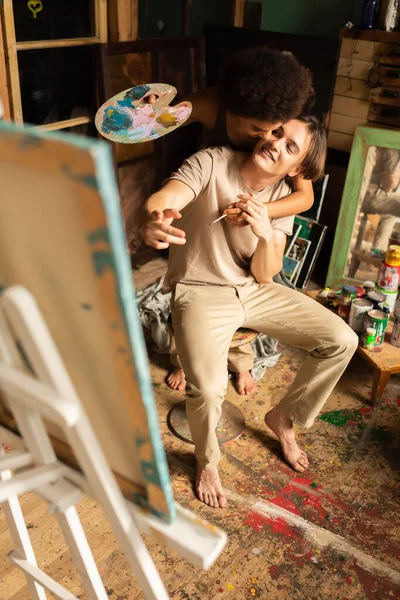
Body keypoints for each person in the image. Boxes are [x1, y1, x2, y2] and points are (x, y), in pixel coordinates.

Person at [139, 116, 358, 509]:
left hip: (255, 290)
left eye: (290, 147)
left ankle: (284, 420)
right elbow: (167, 196)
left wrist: (263, 230)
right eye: (277, 133)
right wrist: (154, 217)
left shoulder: (280, 198)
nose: (276, 144)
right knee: (207, 389)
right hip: (201, 289)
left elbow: (264, 272)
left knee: (342, 339)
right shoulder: (212, 161)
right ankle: (207, 461)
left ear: (295, 170)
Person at [166, 46, 315, 394]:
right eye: (262, 130)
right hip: (208, 191)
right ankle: (183, 360)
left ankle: (239, 360)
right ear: (232, 109)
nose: (270, 139)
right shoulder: (206, 106)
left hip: (249, 211)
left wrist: (254, 211)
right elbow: (159, 122)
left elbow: (304, 196)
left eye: (277, 131)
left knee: (240, 291)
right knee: (189, 288)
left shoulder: (280, 119)